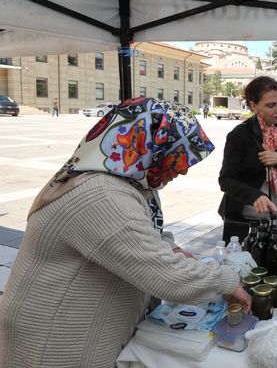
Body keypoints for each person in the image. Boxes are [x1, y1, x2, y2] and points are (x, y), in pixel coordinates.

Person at [0, 98, 251, 367]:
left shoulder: (124, 183)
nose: (183, 168)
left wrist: (171, 247)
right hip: (50, 347)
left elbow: (142, 233)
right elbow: (164, 274)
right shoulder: (101, 196)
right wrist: (227, 281)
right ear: (150, 147)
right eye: (175, 156)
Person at [218, 76, 277, 242]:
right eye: (271, 105)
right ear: (253, 106)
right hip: (244, 215)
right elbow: (226, 180)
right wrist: (254, 195)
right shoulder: (239, 135)